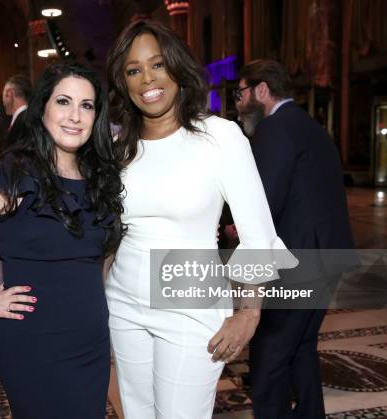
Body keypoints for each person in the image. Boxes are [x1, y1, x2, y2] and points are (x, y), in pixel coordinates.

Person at [105, 20, 296, 418]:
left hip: (191, 305)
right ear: (123, 83)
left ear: (177, 67)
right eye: (133, 70)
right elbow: (110, 234)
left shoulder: (219, 137)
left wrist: (248, 312)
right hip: (122, 303)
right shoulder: (119, 147)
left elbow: (258, 232)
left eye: (157, 64)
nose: (147, 79)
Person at [0, 62, 124, 419]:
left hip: (90, 342)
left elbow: (99, 261)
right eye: (64, 102)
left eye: (86, 105)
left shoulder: (100, 176)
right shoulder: (14, 172)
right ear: (43, 108)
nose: (75, 115)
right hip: (33, 343)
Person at [235, 59, 355, 419]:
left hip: (298, 262)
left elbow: (264, 200)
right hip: (328, 255)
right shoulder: (310, 126)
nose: (238, 104)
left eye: (240, 94)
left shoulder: (273, 129)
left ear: (261, 90)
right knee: (300, 346)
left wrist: (235, 229)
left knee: (269, 354)